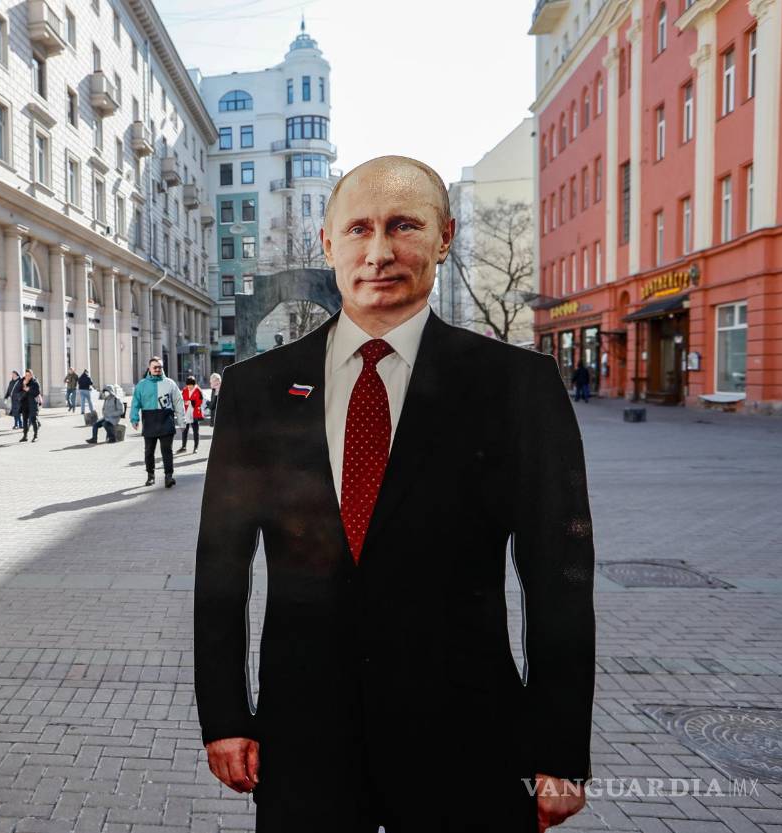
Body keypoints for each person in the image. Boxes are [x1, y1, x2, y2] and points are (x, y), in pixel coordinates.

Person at [194, 156, 595, 833]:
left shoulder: (518, 387)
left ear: (444, 237)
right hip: (303, 740)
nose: (378, 251)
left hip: (467, 740)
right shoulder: (257, 389)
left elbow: (560, 581)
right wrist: (227, 716)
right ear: (328, 242)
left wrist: (559, 750)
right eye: (358, 228)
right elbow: (221, 571)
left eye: (403, 225)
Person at [129, 356, 184, 488]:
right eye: (155, 367)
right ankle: (150, 476)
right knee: (149, 451)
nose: (158, 369)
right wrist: (134, 418)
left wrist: (182, 422)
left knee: (167, 451)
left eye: (160, 367)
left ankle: (168, 476)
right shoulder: (141, 385)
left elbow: (178, 402)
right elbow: (135, 403)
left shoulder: (170, 383)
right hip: (149, 421)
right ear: (149, 368)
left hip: (166, 420)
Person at [179, 376, 204, 454]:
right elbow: (181, 399)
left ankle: (195, 447)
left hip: (195, 413)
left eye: (191, 385)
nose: (189, 387)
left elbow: (200, 402)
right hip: (186, 413)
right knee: (184, 431)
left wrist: (191, 402)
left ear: (194, 384)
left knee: (195, 431)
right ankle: (184, 447)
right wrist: (185, 402)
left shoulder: (198, 391)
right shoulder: (185, 390)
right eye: (188, 385)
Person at [18, 369, 41, 443]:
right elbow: (18, 391)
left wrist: (29, 389)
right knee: (25, 420)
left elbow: (37, 392)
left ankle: (35, 436)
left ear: (31, 375)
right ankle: (25, 436)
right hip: (24, 404)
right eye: (26, 375)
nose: (27, 376)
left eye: (28, 375)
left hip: (33, 404)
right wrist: (24, 385)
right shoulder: (22, 382)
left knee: (33, 420)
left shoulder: (35, 383)